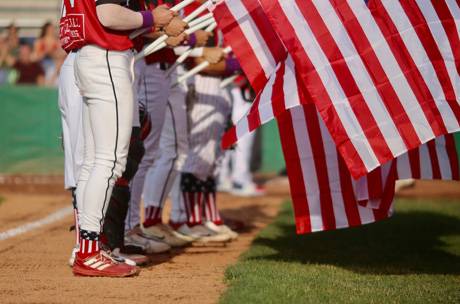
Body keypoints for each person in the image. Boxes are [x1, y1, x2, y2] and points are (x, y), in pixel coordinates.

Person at [59, 0, 186, 277]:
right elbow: (107, 15)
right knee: (109, 161)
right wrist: (153, 17)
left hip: (93, 56)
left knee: (95, 161)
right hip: (105, 57)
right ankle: (89, 251)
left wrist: (155, 23)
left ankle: (89, 247)